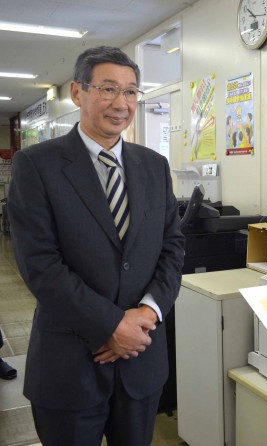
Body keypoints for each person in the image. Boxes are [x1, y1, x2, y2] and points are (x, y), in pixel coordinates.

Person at [8, 46, 185, 445]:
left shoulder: (154, 165)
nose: (121, 104)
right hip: (70, 365)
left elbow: (172, 248)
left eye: (131, 92)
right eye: (108, 89)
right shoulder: (36, 165)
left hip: (142, 359)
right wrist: (110, 325)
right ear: (78, 92)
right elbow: (40, 265)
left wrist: (146, 313)